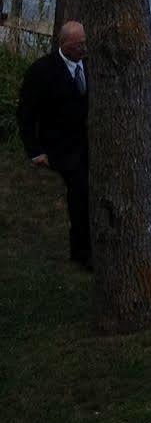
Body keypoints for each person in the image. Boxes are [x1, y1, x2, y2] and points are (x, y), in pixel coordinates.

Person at [18, 21, 91, 267]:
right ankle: (82, 251)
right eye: (79, 44)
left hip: (87, 142)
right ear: (65, 44)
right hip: (60, 145)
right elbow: (26, 113)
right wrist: (35, 151)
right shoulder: (43, 71)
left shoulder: (90, 67)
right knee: (80, 191)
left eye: (85, 42)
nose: (84, 48)